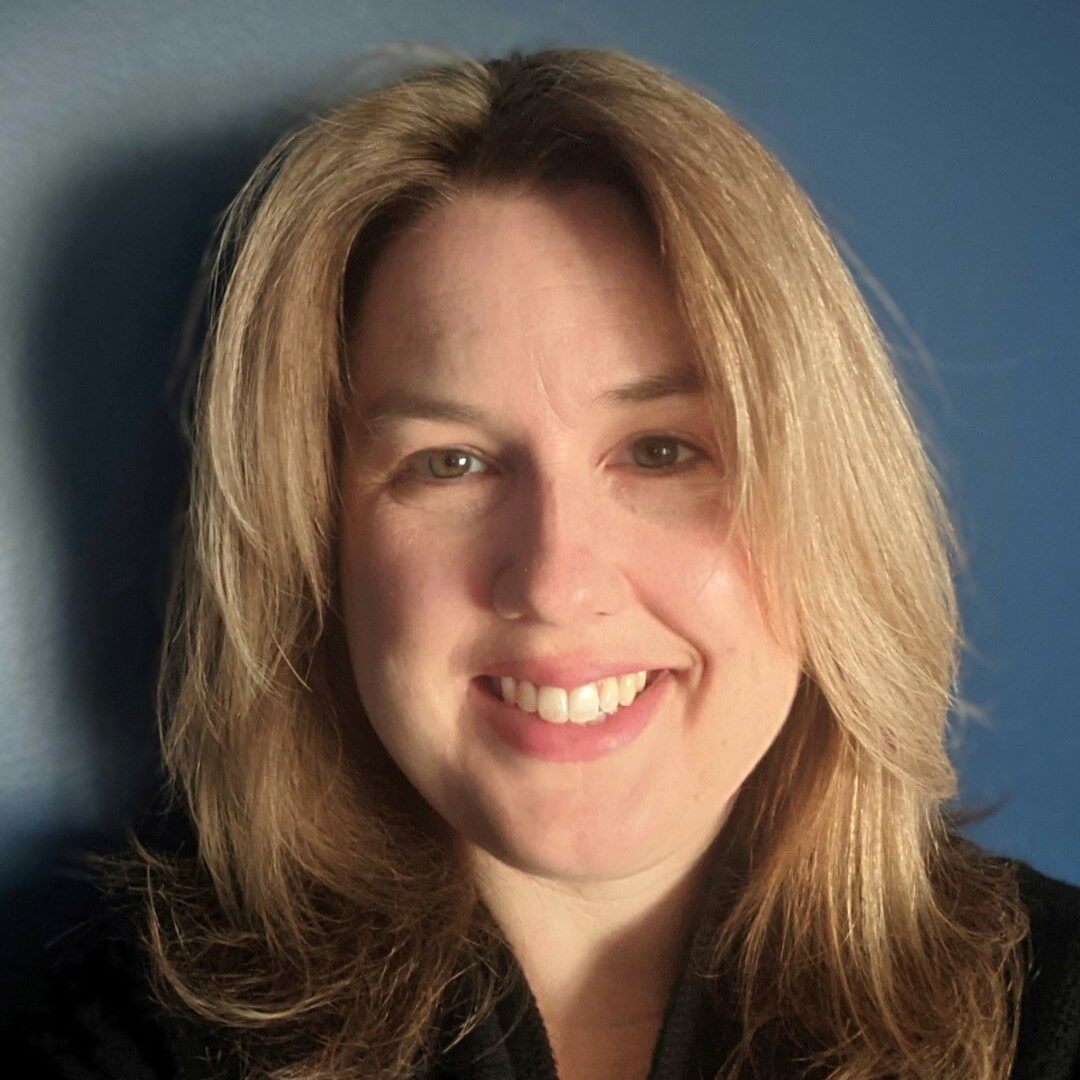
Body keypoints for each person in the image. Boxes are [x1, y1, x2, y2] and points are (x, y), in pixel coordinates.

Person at [8, 46, 1080, 1080]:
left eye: (665, 451)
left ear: (829, 507)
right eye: (450, 463)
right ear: (316, 553)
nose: (557, 580)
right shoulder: (122, 1039)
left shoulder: (1054, 1015)